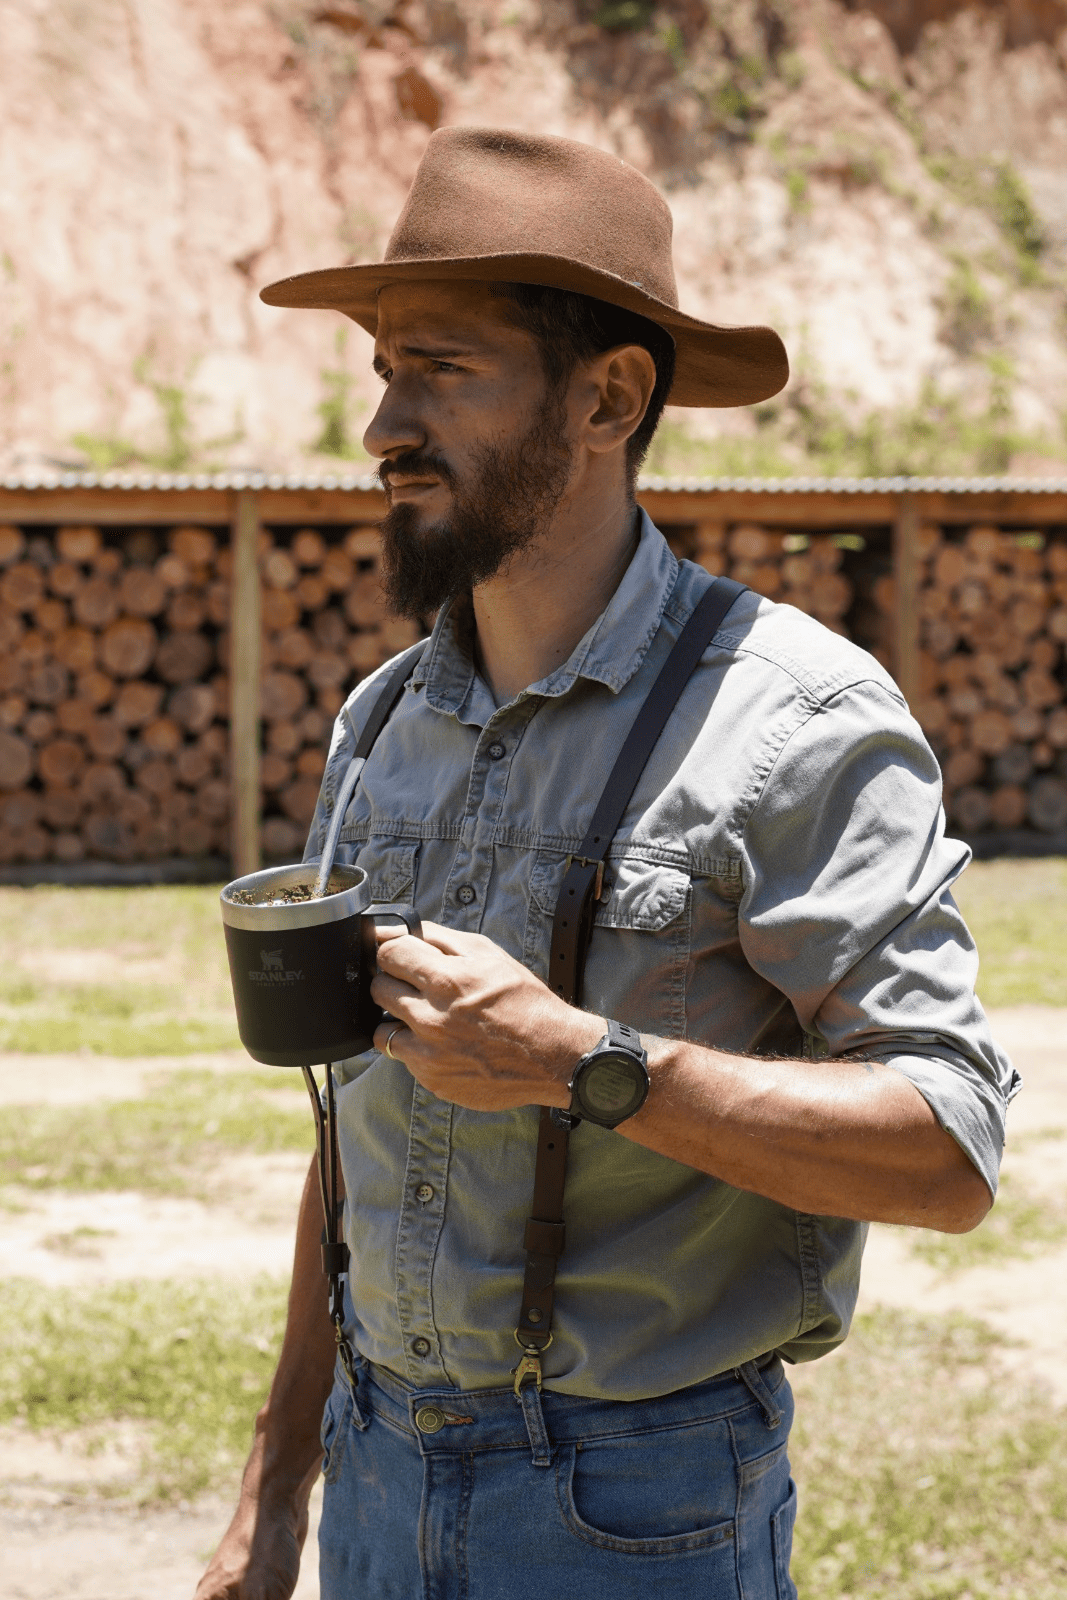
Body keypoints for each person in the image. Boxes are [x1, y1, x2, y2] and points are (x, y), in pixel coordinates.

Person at [195, 127, 1015, 1600]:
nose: (384, 423)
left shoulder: (794, 719)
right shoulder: (384, 723)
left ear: (607, 398)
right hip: (375, 1482)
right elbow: (355, 1141)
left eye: (437, 369)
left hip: (634, 1514)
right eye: (382, 371)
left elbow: (948, 1148)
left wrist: (585, 1061)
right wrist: (276, 1489)